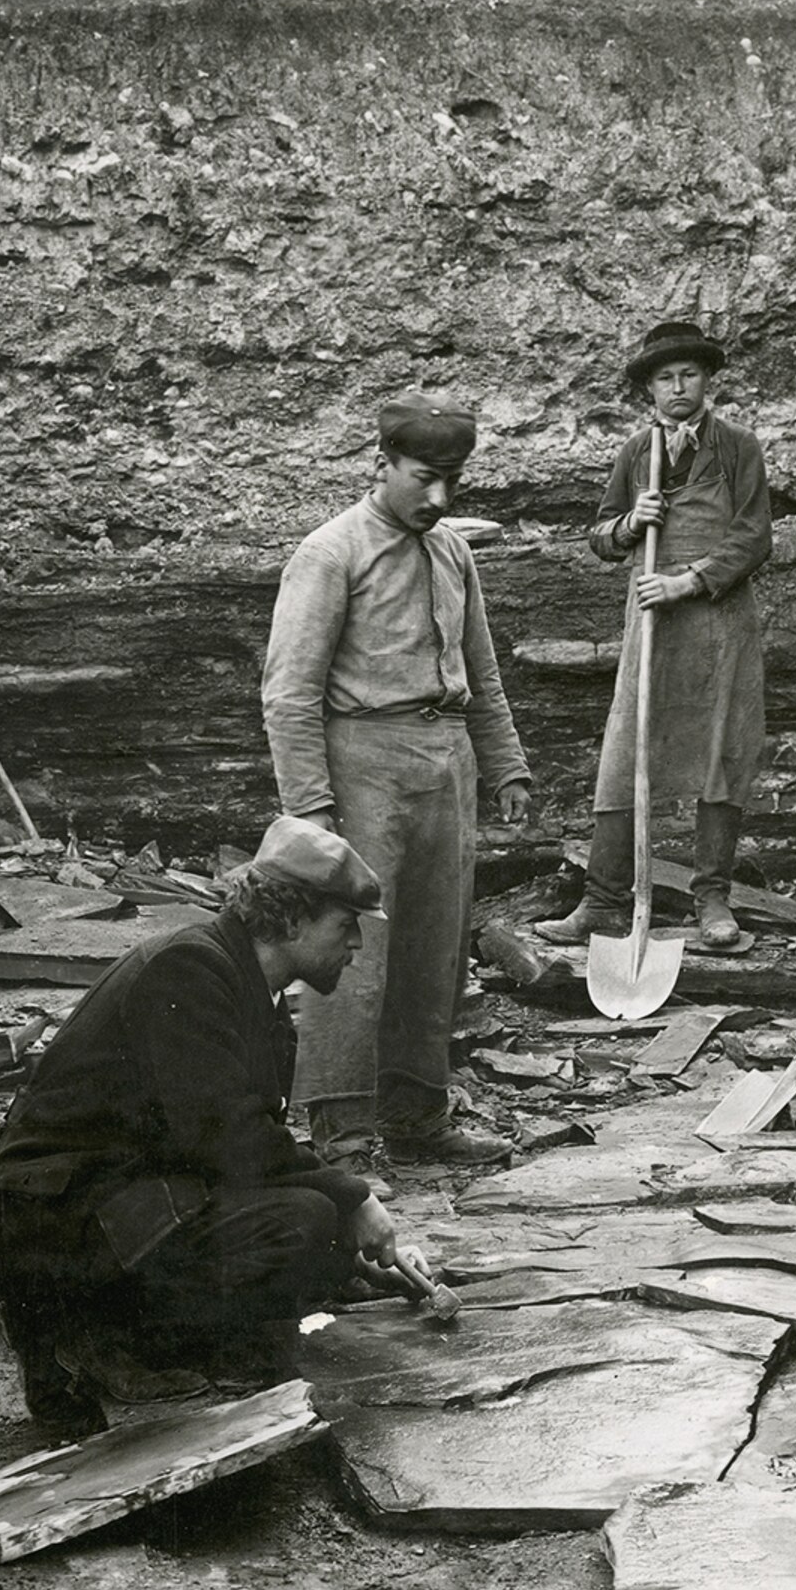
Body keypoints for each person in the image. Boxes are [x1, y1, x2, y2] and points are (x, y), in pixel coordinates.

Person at [0, 816, 441, 1433]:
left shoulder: (254, 994)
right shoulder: (188, 970)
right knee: (307, 1221)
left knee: (321, 1233)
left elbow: (241, 1142)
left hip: (127, 1196)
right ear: (292, 917)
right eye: (346, 926)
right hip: (55, 1220)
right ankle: (87, 1333)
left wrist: (353, 1254)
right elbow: (228, 1139)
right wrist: (354, 1198)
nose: (355, 945)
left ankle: (155, 1329)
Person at [262, 396, 534, 1166]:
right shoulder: (329, 554)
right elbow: (288, 693)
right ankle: (342, 1138)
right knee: (352, 953)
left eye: (454, 481)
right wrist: (310, 810)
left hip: (446, 763)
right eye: (425, 478)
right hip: (361, 765)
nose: (440, 499)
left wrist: (506, 763)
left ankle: (418, 1116)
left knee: (434, 949)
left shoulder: (453, 552)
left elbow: (481, 672)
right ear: (380, 463)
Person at [534, 317, 773, 956]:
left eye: (689, 374)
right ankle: (604, 902)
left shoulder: (738, 446)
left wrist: (688, 581)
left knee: (722, 752)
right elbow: (601, 536)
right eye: (665, 378)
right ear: (649, 390)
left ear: (707, 380)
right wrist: (626, 526)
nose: (678, 388)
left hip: (719, 622)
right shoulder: (637, 453)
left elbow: (754, 537)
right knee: (625, 752)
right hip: (651, 624)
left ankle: (711, 900)